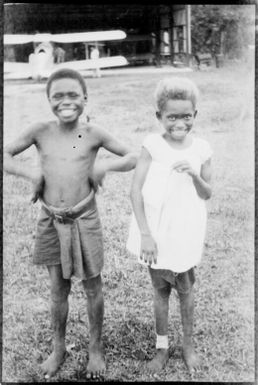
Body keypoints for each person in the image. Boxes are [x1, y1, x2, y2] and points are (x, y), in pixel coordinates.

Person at [4, 68, 137, 379]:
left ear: (85, 99)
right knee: (57, 289)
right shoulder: (39, 130)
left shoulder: (95, 134)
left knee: (93, 286)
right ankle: (59, 348)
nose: (66, 101)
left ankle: (95, 348)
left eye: (73, 95)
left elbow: (133, 156)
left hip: (85, 218)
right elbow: (5, 153)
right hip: (51, 219)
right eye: (58, 96)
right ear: (48, 99)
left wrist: (106, 165)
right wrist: (31, 174)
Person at [127, 77, 212, 373]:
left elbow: (207, 193)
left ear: (195, 115)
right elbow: (135, 190)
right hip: (158, 232)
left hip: (186, 230)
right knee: (161, 290)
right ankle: (161, 347)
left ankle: (188, 346)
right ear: (159, 117)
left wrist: (195, 175)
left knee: (186, 291)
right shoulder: (152, 145)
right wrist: (146, 235)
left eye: (186, 116)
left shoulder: (201, 148)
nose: (179, 122)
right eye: (172, 116)